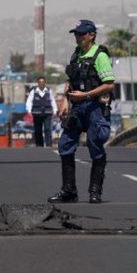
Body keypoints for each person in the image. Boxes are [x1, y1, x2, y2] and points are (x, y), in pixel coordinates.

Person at [48, 19, 115, 204]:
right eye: (76, 34)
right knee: (65, 145)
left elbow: (109, 84)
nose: (78, 38)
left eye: (81, 34)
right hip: (77, 108)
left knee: (95, 146)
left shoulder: (100, 56)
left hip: (95, 107)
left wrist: (86, 95)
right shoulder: (75, 55)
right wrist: (65, 100)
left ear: (91, 35)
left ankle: (95, 192)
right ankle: (68, 191)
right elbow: (70, 80)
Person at [26, 76, 57, 147]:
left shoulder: (49, 91)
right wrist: (29, 110)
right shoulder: (33, 91)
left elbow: (53, 101)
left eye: (43, 82)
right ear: (38, 83)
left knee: (47, 129)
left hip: (47, 113)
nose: (41, 84)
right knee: (38, 130)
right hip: (36, 113)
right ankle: (39, 145)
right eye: (40, 82)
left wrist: (55, 110)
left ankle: (49, 144)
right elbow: (29, 101)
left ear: (45, 83)